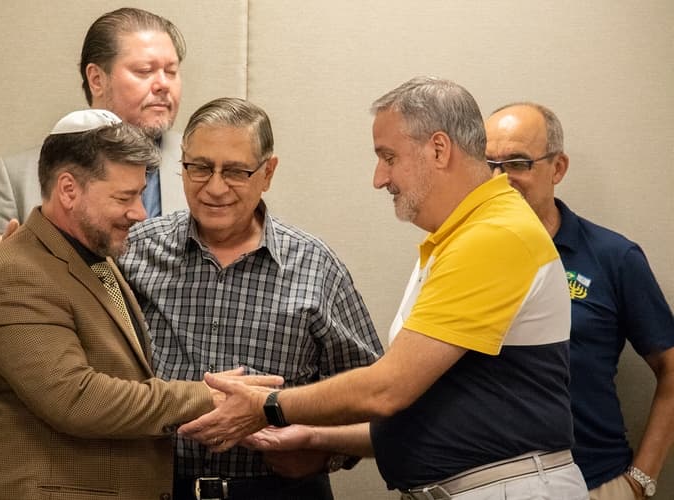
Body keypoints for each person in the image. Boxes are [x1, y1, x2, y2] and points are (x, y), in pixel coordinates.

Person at [178, 77, 589, 500]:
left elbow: (387, 389)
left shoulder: (495, 235)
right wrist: (315, 439)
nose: (380, 178)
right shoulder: (458, 238)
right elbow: (427, 411)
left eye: (388, 157)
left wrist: (268, 407)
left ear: (439, 149)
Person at [0, 109, 281, 500]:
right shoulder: (18, 273)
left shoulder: (94, 255)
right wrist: (204, 397)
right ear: (68, 190)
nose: (140, 213)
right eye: (125, 197)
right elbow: (75, 397)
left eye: (140, 195)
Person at [119, 97, 382, 499]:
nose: (215, 187)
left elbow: (370, 397)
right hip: (155, 486)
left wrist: (320, 450)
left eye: (236, 171)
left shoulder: (315, 267)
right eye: (200, 168)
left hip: (278, 489)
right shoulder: (134, 251)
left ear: (268, 172)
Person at [485, 102, 674, 500]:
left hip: (592, 483)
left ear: (558, 168)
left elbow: (671, 368)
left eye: (518, 163)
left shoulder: (613, 257)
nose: (501, 180)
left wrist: (640, 480)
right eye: (490, 165)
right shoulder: (468, 258)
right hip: (487, 485)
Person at [0, 7, 187, 250]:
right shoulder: (18, 178)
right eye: (145, 71)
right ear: (97, 79)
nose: (163, 85)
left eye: (171, 71)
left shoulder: (203, 169)